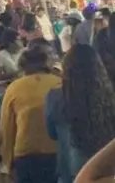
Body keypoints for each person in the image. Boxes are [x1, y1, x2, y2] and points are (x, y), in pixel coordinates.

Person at [45, 44, 115, 183]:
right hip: (104, 171)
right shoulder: (109, 96)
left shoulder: (55, 96)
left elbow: (51, 132)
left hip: (69, 170)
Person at [0, 44, 62, 183]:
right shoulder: (59, 83)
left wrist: (7, 164)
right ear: (46, 63)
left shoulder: (14, 88)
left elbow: (6, 128)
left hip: (25, 155)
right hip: (56, 153)